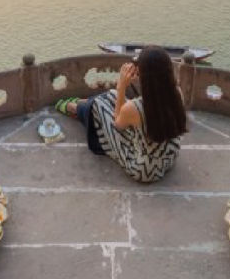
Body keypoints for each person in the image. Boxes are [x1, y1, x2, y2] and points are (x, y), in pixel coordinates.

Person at [55, 46, 187, 183]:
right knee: (113, 96)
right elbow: (150, 103)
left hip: (144, 169)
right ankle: (83, 105)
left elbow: (117, 125)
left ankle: (78, 108)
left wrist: (122, 86)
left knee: (99, 106)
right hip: (168, 155)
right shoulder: (177, 93)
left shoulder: (135, 108)